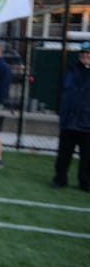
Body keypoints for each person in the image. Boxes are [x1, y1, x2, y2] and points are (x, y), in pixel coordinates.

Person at [52, 40, 90, 191]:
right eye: (84, 53)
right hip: (69, 121)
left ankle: (85, 183)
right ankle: (60, 179)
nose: (86, 56)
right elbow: (62, 92)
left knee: (87, 157)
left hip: (87, 123)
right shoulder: (71, 70)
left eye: (88, 53)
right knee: (63, 154)